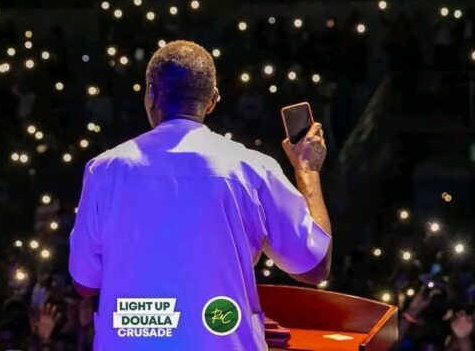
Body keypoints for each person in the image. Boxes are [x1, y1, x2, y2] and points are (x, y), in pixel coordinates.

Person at [69, 40, 332, 350]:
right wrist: (307, 171)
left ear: (150, 94)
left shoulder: (103, 171)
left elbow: (84, 282)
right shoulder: (253, 169)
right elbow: (314, 266)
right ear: (212, 100)